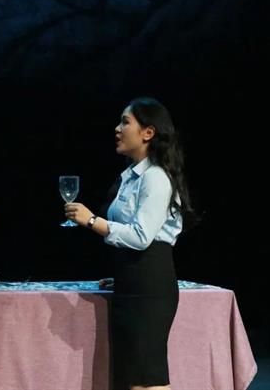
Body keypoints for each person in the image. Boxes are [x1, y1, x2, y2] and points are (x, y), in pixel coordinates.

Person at [64, 96, 194, 390]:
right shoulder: (131, 177)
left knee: (148, 380)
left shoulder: (155, 177)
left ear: (148, 132)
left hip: (150, 289)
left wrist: (91, 220)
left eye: (125, 122)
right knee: (133, 380)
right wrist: (125, 273)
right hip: (133, 284)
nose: (117, 128)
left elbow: (141, 236)